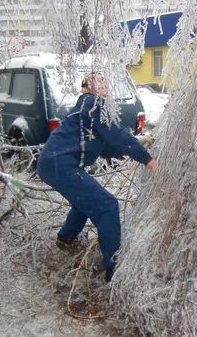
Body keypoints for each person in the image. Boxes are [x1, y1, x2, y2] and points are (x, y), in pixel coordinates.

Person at [37, 72, 158, 282]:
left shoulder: (88, 108)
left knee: (84, 202)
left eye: (104, 80)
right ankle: (114, 268)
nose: (103, 83)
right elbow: (118, 134)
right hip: (60, 163)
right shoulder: (93, 104)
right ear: (86, 88)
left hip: (54, 163)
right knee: (107, 205)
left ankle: (65, 239)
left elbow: (107, 145)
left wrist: (135, 145)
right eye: (96, 80)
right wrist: (148, 159)